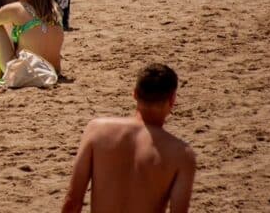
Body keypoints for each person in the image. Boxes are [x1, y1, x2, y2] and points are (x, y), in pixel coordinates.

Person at [62, 64, 196, 213]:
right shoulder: (181, 154)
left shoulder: (97, 130)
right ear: (172, 100)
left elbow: (72, 202)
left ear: (134, 94)